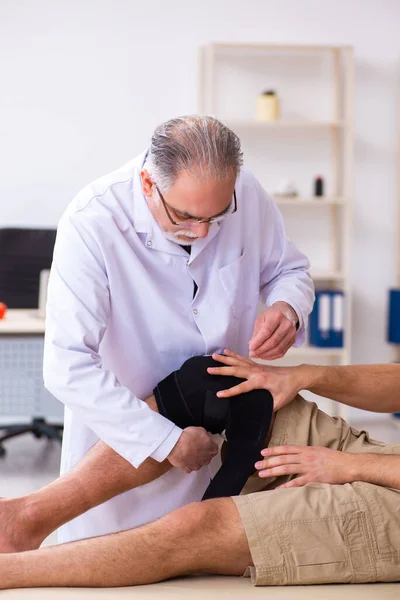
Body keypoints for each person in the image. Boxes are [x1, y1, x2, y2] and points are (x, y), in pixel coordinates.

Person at [43, 115, 314, 543]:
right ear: (148, 184)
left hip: (212, 435)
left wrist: (287, 307)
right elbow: (67, 364)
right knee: (109, 567)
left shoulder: (244, 194)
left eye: (218, 217)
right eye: (186, 217)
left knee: (199, 564)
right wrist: (164, 441)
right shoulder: (92, 221)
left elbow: (289, 268)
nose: (203, 232)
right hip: (127, 439)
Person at [0, 351, 399, 589]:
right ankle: (23, 519)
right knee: (212, 382)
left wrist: (350, 466)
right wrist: (307, 374)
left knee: (196, 527)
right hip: (384, 455)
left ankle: (8, 572)